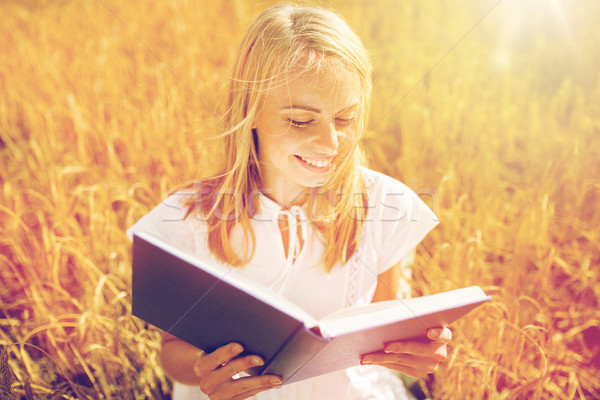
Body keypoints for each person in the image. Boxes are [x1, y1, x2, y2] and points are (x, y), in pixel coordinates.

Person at [128, 4, 452, 399]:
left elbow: (380, 336)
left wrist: (411, 356)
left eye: (345, 119)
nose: (330, 144)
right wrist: (202, 370)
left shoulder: (383, 208)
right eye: (301, 120)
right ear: (249, 111)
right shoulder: (190, 219)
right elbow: (171, 351)